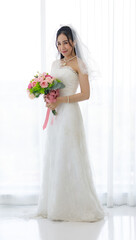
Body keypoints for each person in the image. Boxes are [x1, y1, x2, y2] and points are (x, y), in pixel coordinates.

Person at [37, 25, 107, 222]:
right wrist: (49, 99)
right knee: (56, 154)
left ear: (73, 42)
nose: (62, 47)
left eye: (65, 42)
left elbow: (86, 94)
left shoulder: (79, 64)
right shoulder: (54, 64)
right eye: (59, 43)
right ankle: (55, 205)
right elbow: (51, 89)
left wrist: (61, 101)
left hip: (70, 114)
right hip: (56, 114)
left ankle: (75, 205)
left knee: (71, 155)